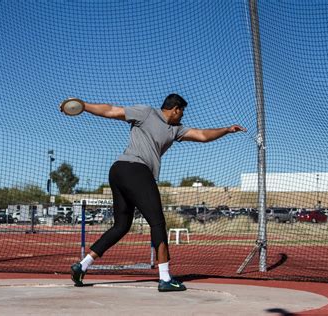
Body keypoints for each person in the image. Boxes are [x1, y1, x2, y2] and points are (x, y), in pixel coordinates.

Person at [61, 94, 246, 292]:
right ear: (175, 109)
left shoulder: (175, 129)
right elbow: (111, 110)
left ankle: (82, 266)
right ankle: (165, 278)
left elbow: (202, 136)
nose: (183, 115)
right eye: (182, 111)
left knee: (122, 226)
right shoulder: (147, 112)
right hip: (134, 170)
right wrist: (83, 105)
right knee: (157, 223)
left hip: (118, 171)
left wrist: (226, 130)